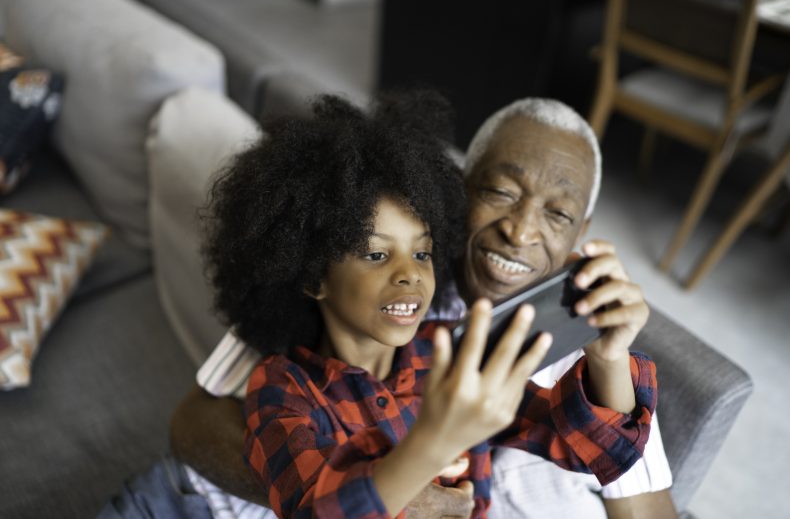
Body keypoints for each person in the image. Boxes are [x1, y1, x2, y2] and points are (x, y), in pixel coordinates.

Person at [169, 97, 676, 519]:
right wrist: (431, 446)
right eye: (374, 253)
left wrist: (608, 358)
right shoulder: (284, 384)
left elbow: (603, 451)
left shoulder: (448, 354)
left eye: (423, 251)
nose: (520, 231)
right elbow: (306, 505)